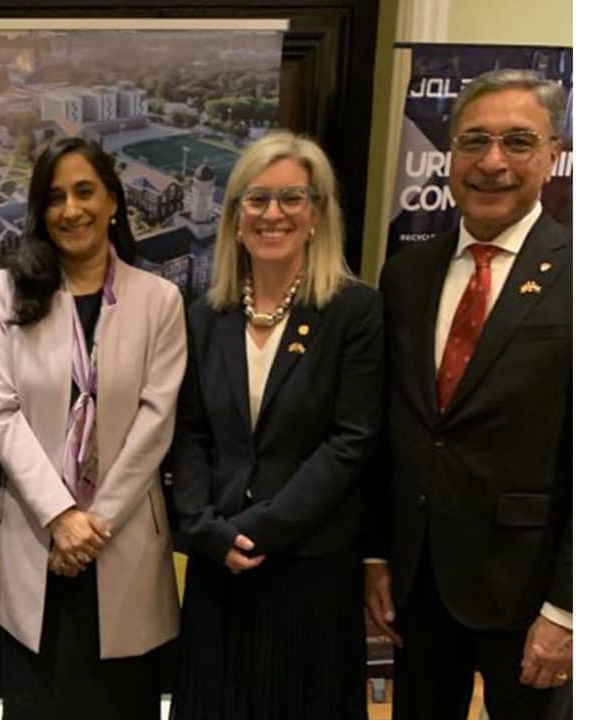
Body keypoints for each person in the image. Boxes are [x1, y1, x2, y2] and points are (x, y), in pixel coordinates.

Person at [364, 68, 573, 720]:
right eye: (473, 141)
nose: (491, 163)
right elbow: (389, 425)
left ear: (552, 154)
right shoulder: (405, 275)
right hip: (418, 587)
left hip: (528, 593)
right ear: (448, 154)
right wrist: (376, 554)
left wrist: (569, 607)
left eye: (517, 142)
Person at [168, 131, 382, 719]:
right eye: (255, 199)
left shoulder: (353, 312)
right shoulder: (205, 316)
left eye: (291, 198)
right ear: (235, 217)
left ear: (317, 214)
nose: (272, 214)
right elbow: (189, 434)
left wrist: (259, 529)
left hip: (309, 567)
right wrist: (203, 528)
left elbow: (351, 442)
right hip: (220, 565)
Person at [0, 137, 185, 720]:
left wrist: (93, 525)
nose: (71, 210)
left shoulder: (159, 301)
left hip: (119, 540)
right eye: (55, 197)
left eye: (85, 191)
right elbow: (1, 411)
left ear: (114, 201)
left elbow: (156, 420)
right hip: (37, 540)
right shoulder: (9, 293)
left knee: (121, 703)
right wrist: (59, 516)